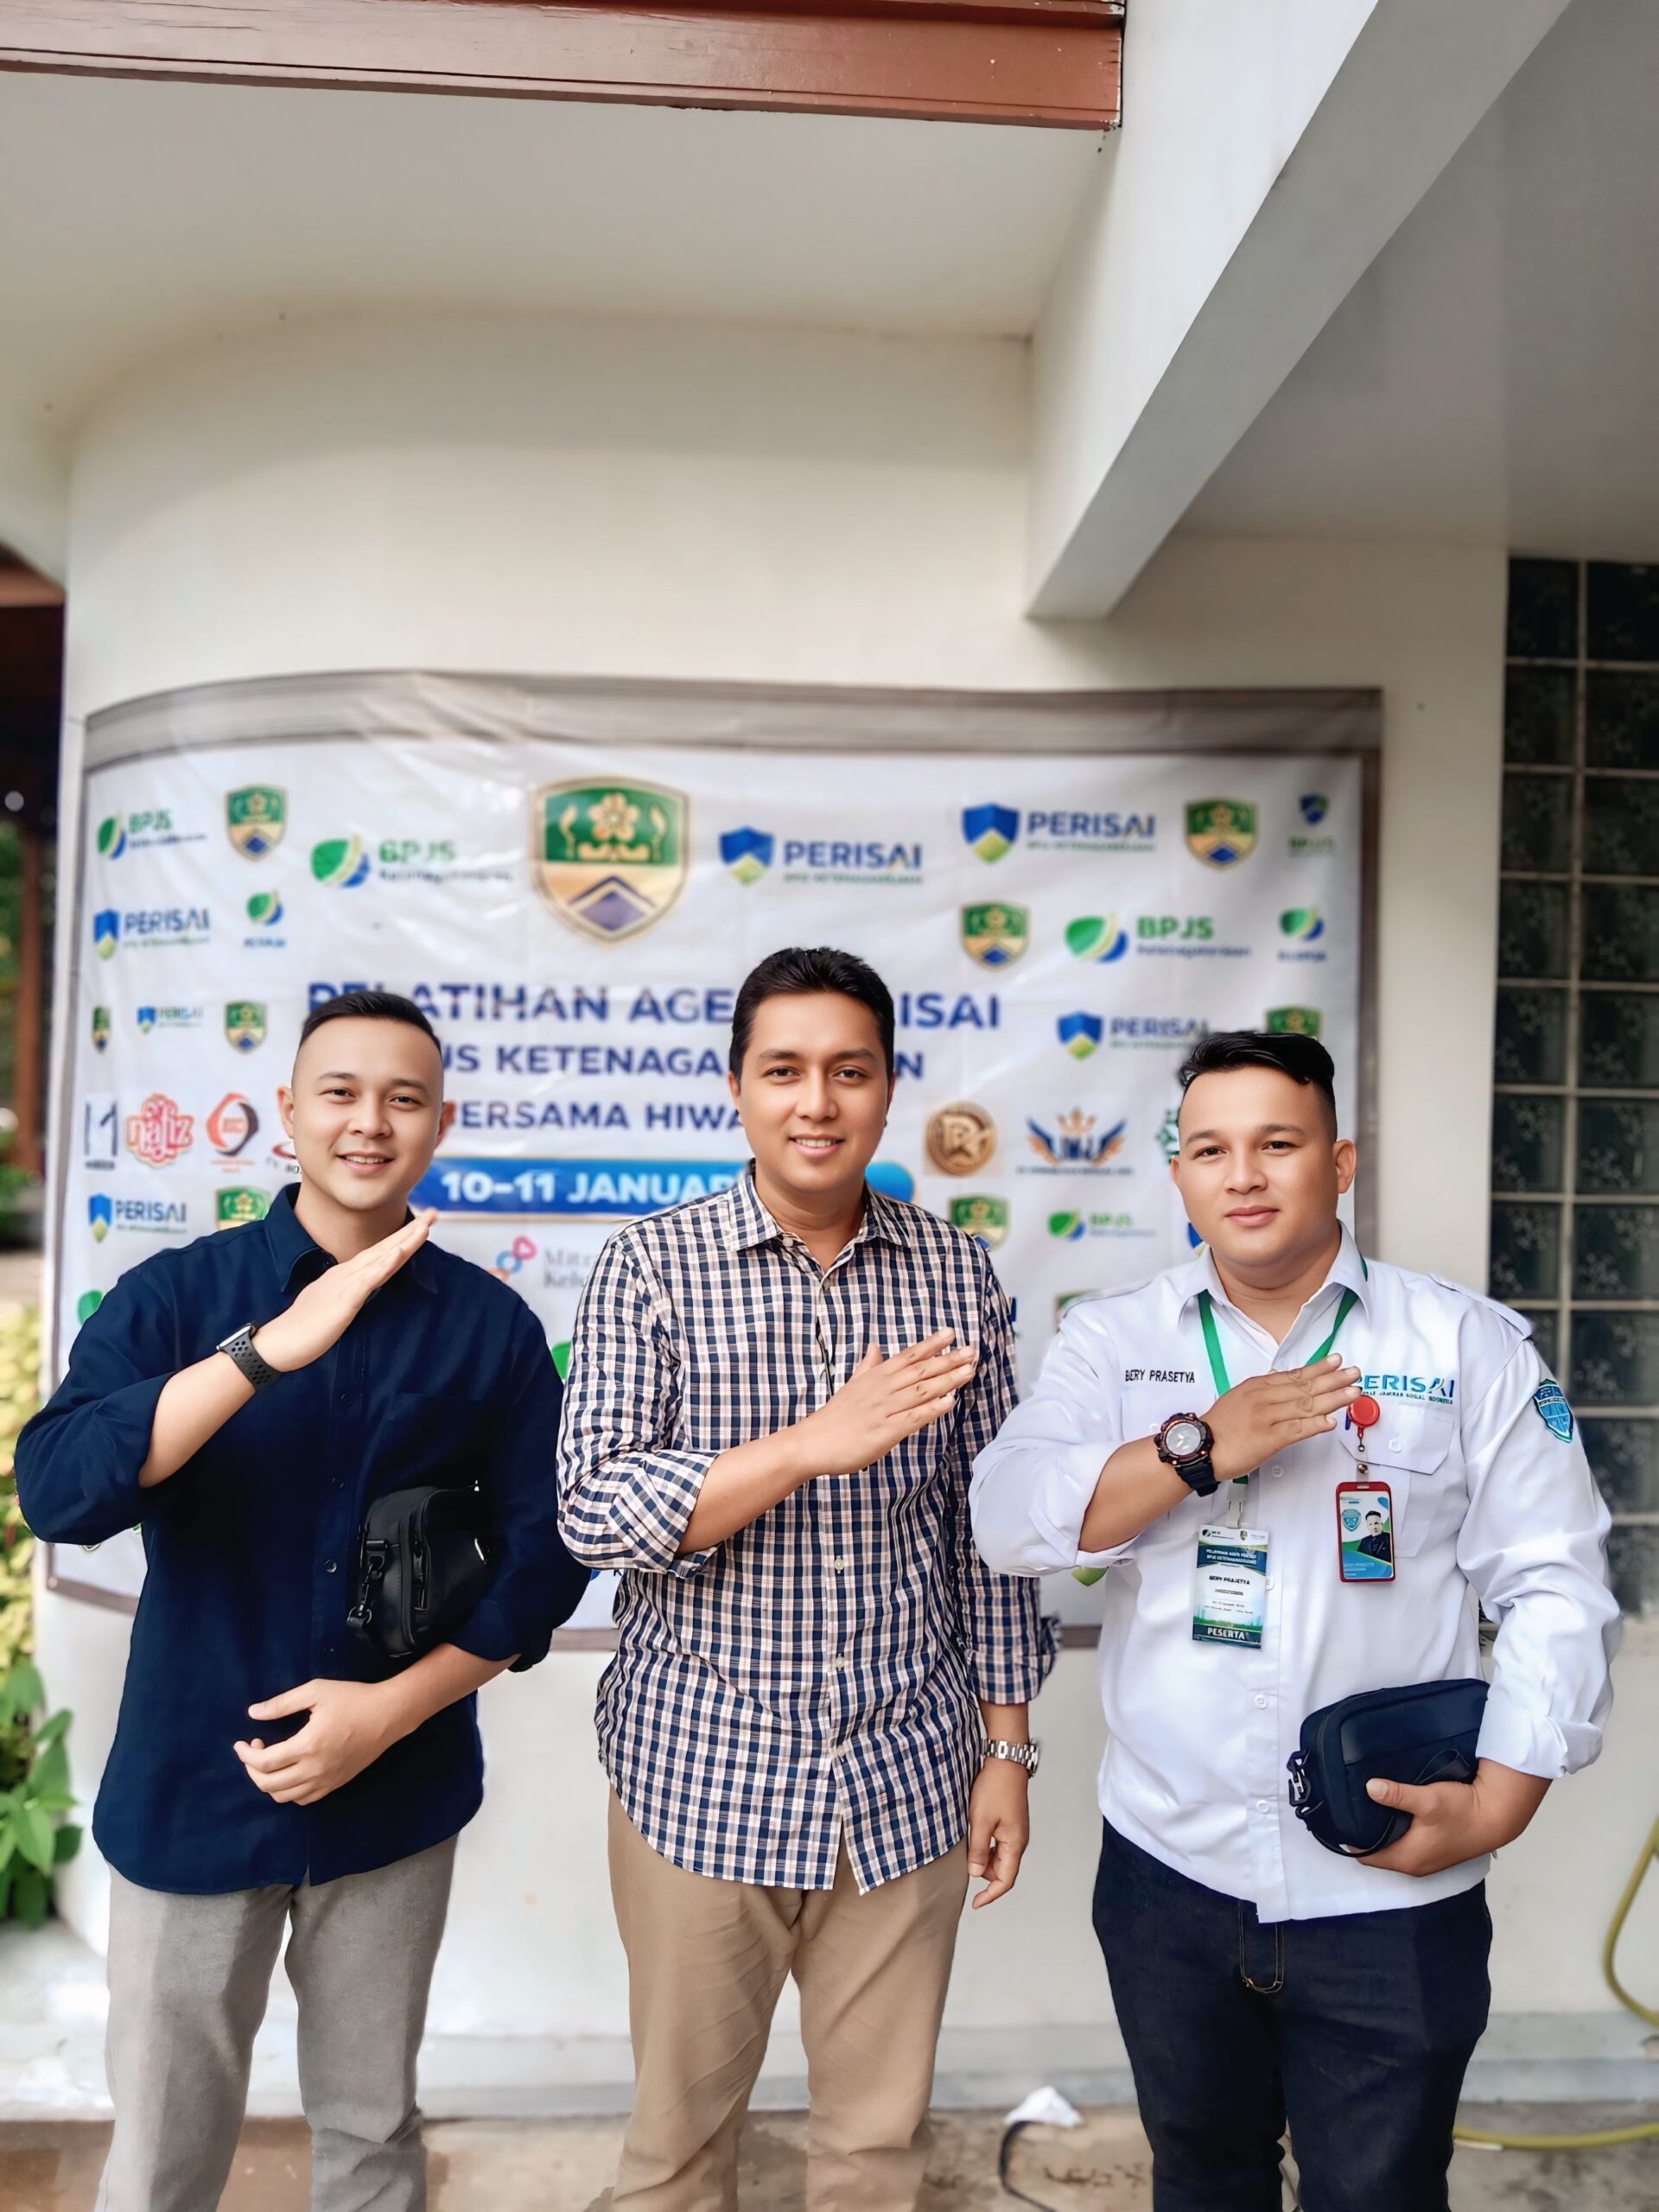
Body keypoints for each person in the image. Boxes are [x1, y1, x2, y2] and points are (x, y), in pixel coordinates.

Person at [970, 1029, 1618, 2212]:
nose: (1245, 1176)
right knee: (1202, 2181)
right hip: (1170, 1873)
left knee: (1381, 2193)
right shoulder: (1114, 1339)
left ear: (1340, 1161)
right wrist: (1198, 1448)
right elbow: (1008, 1521)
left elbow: (1558, 1583)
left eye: (1278, 1143)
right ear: (1179, 1174)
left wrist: (1506, 1796)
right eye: (1211, 1149)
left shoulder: (1459, 1342)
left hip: (1388, 1884)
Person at [18, 990, 588, 2212]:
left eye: (403, 1098)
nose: (369, 1121)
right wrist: (262, 1352)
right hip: (193, 1791)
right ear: (287, 1112)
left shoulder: (489, 1327)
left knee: (374, 2134)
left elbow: (546, 1556)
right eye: (340, 1092)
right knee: (161, 2156)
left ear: (439, 1124)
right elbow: (59, 1491)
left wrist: (392, 1711)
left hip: (396, 1798)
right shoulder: (178, 1297)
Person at [558, 944, 1053, 2212]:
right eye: (783, 1071)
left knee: (876, 2155)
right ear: (737, 1087)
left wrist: (1008, 1749)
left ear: (888, 1088)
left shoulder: (952, 1273)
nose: (816, 1102)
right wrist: (804, 1448)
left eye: (849, 1071)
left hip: (905, 1777)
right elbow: (593, 1509)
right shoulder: (650, 1265)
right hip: (702, 1773)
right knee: (676, 2157)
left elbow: (988, 1531)